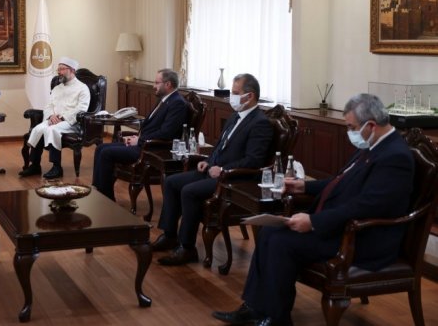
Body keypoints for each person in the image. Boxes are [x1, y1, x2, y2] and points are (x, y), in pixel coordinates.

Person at [213, 93, 414, 326]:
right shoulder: (373, 144)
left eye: (351, 127)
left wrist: (314, 222)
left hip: (362, 238)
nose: (349, 133)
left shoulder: (395, 156)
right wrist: (303, 186)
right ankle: (255, 308)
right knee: (268, 232)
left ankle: (276, 318)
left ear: (371, 125)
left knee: (281, 242)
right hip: (340, 226)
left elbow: (368, 205)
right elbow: (340, 181)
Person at [152, 73, 273, 266]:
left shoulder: (260, 123)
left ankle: (187, 248)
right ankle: (169, 235)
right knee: (172, 182)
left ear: (249, 96)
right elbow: (221, 147)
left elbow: (253, 160)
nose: (231, 97)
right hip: (213, 170)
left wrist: (222, 169)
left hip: (232, 179)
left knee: (189, 191)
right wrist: (208, 161)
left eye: (235, 93)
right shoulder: (235, 116)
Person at [92, 68, 188, 200]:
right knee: (100, 148)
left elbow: (166, 133)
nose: (154, 86)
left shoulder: (177, 103)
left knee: (106, 153)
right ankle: (98, 190)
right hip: (144, 143)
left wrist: (140, 140)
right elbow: (153, 127)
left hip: (152, 149)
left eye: (157, 83)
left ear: (168, 84)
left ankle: (106, 197)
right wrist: (138, 137)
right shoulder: (165, 99)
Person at [19, 57, 91, 179]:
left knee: (52, 130)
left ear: (72, 70)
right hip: (53, 119)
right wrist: (51, 116)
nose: (59, 72)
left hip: (71, 122)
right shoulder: (57, 88)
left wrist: (62, 118)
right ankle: (35, 165)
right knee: (38, 129)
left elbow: (81, 109)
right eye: (58, 69)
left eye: (62, 69)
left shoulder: (82, 88)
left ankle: (57, 167)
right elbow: (49, 105)